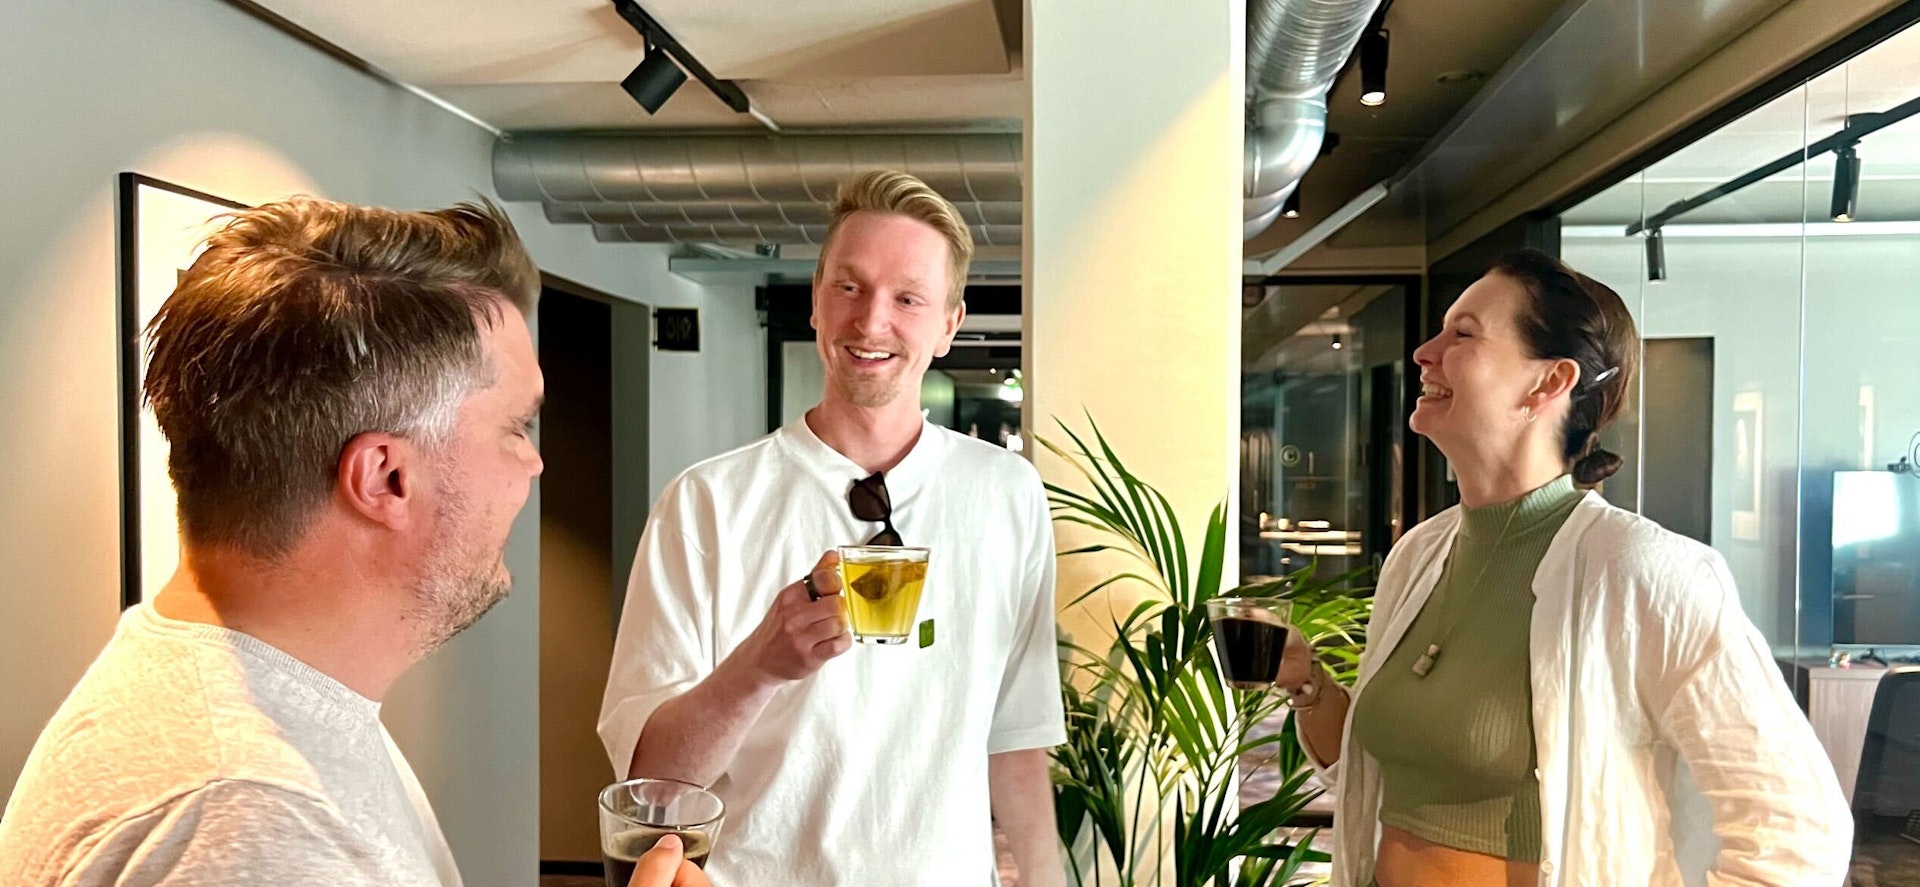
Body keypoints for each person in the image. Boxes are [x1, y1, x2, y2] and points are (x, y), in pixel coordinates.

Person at [0, 198, 704, 887]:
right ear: (386, 478)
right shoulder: (260, 824)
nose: (534, 463)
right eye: (516, 428)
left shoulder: (264, 717)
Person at [1274, 249, 1852, 886]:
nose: (1424, 352)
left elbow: (1796, 832)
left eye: (1463, 334)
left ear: (1548, 383)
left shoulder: (1643, 570)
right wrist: (1308, 684)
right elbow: (1372, 777)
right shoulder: (1420, 554)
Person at [599, 170, 1067, 887]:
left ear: (948, 324)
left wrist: (1046, 878)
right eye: (849, 286)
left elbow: (1017, 738)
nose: (872, 321)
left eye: (907, 298)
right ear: (816, 301)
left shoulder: (1006, 492)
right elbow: (652, 788)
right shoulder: (706, 503)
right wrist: (758, 667)